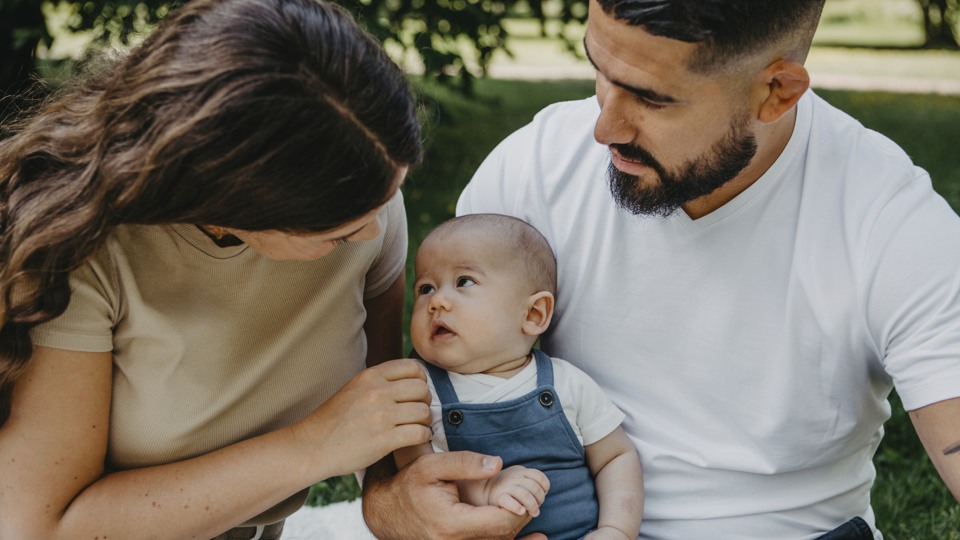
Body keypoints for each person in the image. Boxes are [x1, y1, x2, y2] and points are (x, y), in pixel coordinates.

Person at [361, 1, 960, 539]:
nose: (604, 128)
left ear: (776, 89)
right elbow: (409, 437)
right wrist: (396, 507)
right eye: (599, 69)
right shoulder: (532, 170)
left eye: (652, 98)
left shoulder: (890, 220)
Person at [0, 1, 435, 539]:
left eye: (390, 195)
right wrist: (312, 446)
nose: (376, 231)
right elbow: (41, 527)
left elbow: (380, 428)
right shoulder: (82, 251)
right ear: (232, 200)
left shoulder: (367, 200)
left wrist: (406, 498)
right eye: (340, 232)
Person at [395, 214, 643, 540]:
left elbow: (615, 457)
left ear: (532, 314)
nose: (436, 302)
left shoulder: (566, 383)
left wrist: (617, 530)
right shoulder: (421, 396)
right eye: (425, 288)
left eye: (464, 282)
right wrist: (485, 489)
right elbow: (418, 482)